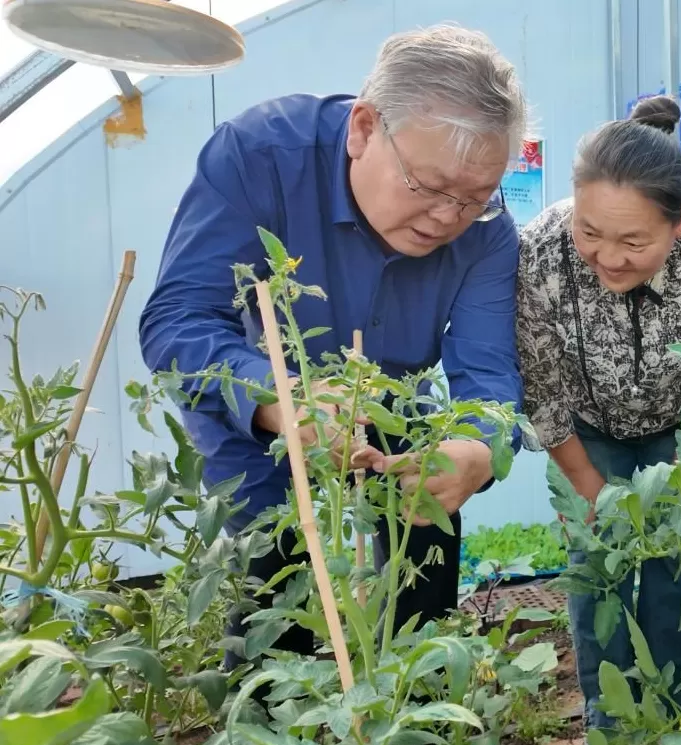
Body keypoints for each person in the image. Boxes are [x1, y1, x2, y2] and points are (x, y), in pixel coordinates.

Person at [138, 25, 528, 669]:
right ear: (364, 129)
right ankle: (265, 705)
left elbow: (488, 372)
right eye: (428, 186)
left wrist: (480, 447)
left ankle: (413, 702)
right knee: (274, 575)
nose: (447, 216)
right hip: (260, 396)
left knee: (424, 541)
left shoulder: (487, 231)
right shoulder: (261, 156)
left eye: (474, 197)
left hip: (391, 400)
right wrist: (279, 399)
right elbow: (178, 321)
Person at [515, 95, 681, 729]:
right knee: (598, 571)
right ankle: (611, 725)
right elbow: (541, 386)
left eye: (633, 241)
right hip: (587, 432)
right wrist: (587, 486)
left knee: (680, 566)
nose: (608, 257)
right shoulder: (541, 248)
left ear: (680, 221)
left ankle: (676, 717)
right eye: (590, 233)